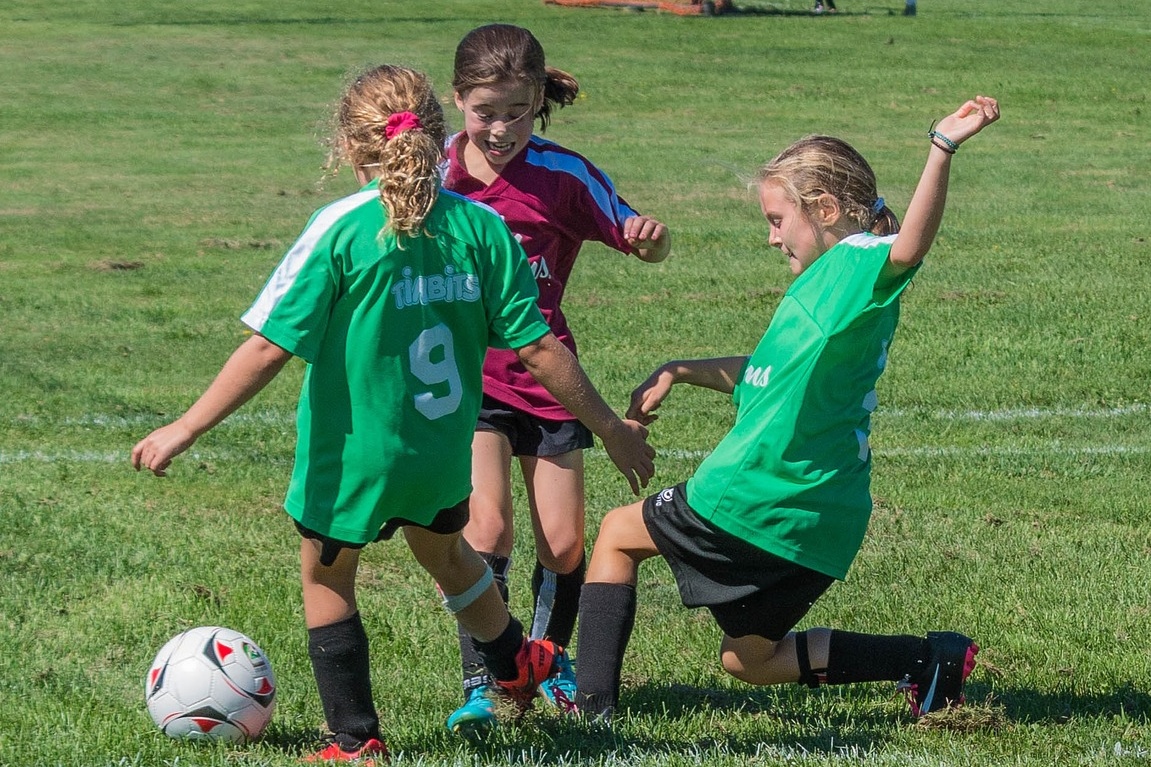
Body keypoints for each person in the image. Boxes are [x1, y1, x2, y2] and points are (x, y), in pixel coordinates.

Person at [130, 64, 654, 762]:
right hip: (441, 450)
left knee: (327, 576)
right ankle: (514, 663)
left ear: (350, 146)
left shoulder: (341, 229)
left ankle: (354, 738)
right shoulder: (480, 226)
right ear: (439, 140)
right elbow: (537, 348)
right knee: (447, 554)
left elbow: (265, 348)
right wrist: (611, 428)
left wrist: (185, 425)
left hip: (355, 454)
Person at [572, 96, 1001, 722]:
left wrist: (943, 145)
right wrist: (681, 371)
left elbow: (909, 246)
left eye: (778, 219)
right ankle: (927, 658)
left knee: (616, 533)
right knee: (749, 662)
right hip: (822, 520)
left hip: (755, 496)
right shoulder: (827, 294)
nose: (771, 236)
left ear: (824, 209)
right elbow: (767, 375)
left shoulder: (856, 261)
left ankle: (591, 716)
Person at [440, 23, 672, 733]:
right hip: (466, 382)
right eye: (485, 112)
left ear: (537, 98)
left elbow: (634, 231)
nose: (501, 128)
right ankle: (485, 676)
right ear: (457, 102)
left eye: (516, 111)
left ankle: (546, 658)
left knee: (565, 545)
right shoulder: (434, 175)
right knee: (486, 527)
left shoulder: (563, 175)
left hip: (549, 379)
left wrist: (648, 239)